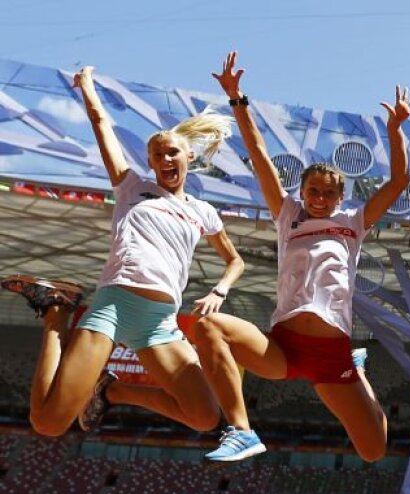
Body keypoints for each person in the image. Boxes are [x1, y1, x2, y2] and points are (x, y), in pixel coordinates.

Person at [1, 66, 244, 439]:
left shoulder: (203, 211)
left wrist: (220, 290)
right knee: (47, 424)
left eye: (172, 153)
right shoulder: (132, 187)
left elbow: (235, 261)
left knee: (205, 417)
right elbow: (101, 123)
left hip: (160, 322)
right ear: (149, 162)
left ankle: (112, 390)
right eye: (157, 155)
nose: (165, 160)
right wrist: (88, 89)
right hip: (114, 307)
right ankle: (55, 312)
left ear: (189, 157)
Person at [195, 52, 410, 463]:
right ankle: (240, 430)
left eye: (329, 193)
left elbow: (399, 180)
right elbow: (258, 156)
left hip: (332, 352)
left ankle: (358, 369)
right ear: (303, 191)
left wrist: (395, 129)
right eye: (313, 191)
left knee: (372, 451)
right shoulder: (288, 215)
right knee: (209, 328)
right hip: (284, 347)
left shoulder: (354, 220)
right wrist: (237, 99)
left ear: (341, 197)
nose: (320, 198)